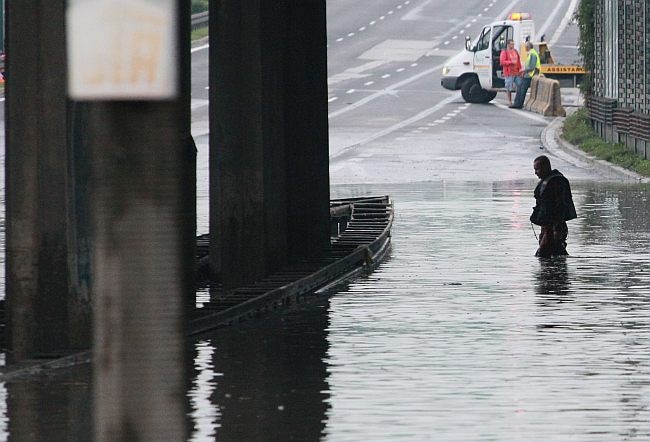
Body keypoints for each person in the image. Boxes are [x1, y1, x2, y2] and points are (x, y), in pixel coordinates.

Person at [530, 155, 577, 258]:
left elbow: (560, 206)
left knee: (543, 255)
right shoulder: (547, 181)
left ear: (546, 167)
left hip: (554, 228)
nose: (536, 172)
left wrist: (556, 229)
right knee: (554, 255)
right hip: (548, 228)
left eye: (537, 169)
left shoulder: (557, 181)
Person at [509, 41, 540, 109]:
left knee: (521, 88)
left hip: (530, 75)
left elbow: (531, 67)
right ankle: (518, 103)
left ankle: (518, 104)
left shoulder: (532, 54)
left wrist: (524, 71)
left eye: (525, 46)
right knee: (520, 88)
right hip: (529, 74)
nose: (525, 48)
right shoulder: (531, 53)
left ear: (528, 47)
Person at [499, 39, 521, 106]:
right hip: (509, 73)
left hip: (516, 72)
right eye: (512, 44)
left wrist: (520, 69)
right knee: (509, 88)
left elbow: (518, 61)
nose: (513, 45)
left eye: (513, 44)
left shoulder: (515, 51)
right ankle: (510, 102)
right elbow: (502, 62)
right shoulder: (504, 52)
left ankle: (517, 101)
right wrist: (511, 62)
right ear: (508, 45)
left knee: (520, 86)